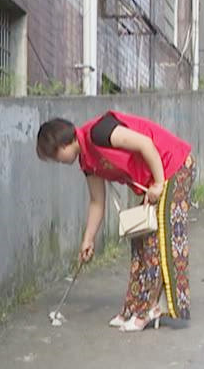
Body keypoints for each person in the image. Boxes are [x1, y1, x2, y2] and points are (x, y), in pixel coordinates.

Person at [35, 111, 194, 331]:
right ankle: (134, 307)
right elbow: (97, 202)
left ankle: (152, 309)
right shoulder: (86, 162)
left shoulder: (99, 132)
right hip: (157, 177)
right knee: (140, 240)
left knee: (159, 241)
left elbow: (145, 144)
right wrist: (88, 239)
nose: (57, 162)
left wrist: (158, 183)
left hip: (173, 165)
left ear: (62, 144)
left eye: (54, 156)